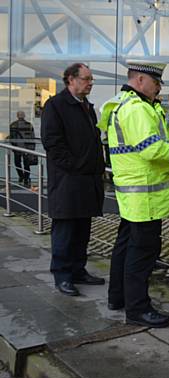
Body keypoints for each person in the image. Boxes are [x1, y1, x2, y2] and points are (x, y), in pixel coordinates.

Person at [98, 60, 169, 327]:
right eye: (156, 83)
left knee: (125, 247)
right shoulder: (137, 109)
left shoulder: (122, 104)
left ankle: (118, 297)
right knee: (142, 253)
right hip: (145, 196)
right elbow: (153, 150)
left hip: (134, 194)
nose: (158, 88)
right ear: (140, 80)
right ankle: (138, 309)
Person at [41, 63, 105, 297]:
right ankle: (62, 275)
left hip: (86, 181)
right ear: (71, 79)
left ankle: (78, 270)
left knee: (82, 230)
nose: (90, 83)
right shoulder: (56, 106)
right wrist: (76, 166)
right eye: (86, 79)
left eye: (91, 79)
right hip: (68, 182)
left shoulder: (87, 107)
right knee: (65, 230)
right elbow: (52, 143)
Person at [9, 111, 36, 187]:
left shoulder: (13, 125)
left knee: (17, 163)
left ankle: (21, 176)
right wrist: (32, 149)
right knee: (26, 164)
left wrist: (13, 146)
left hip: (17, 148)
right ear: (24, 116)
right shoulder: (29, 125)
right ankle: (26, 178)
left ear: (17, 116)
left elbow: (12, 138)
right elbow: (32, 137)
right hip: (27, 148)